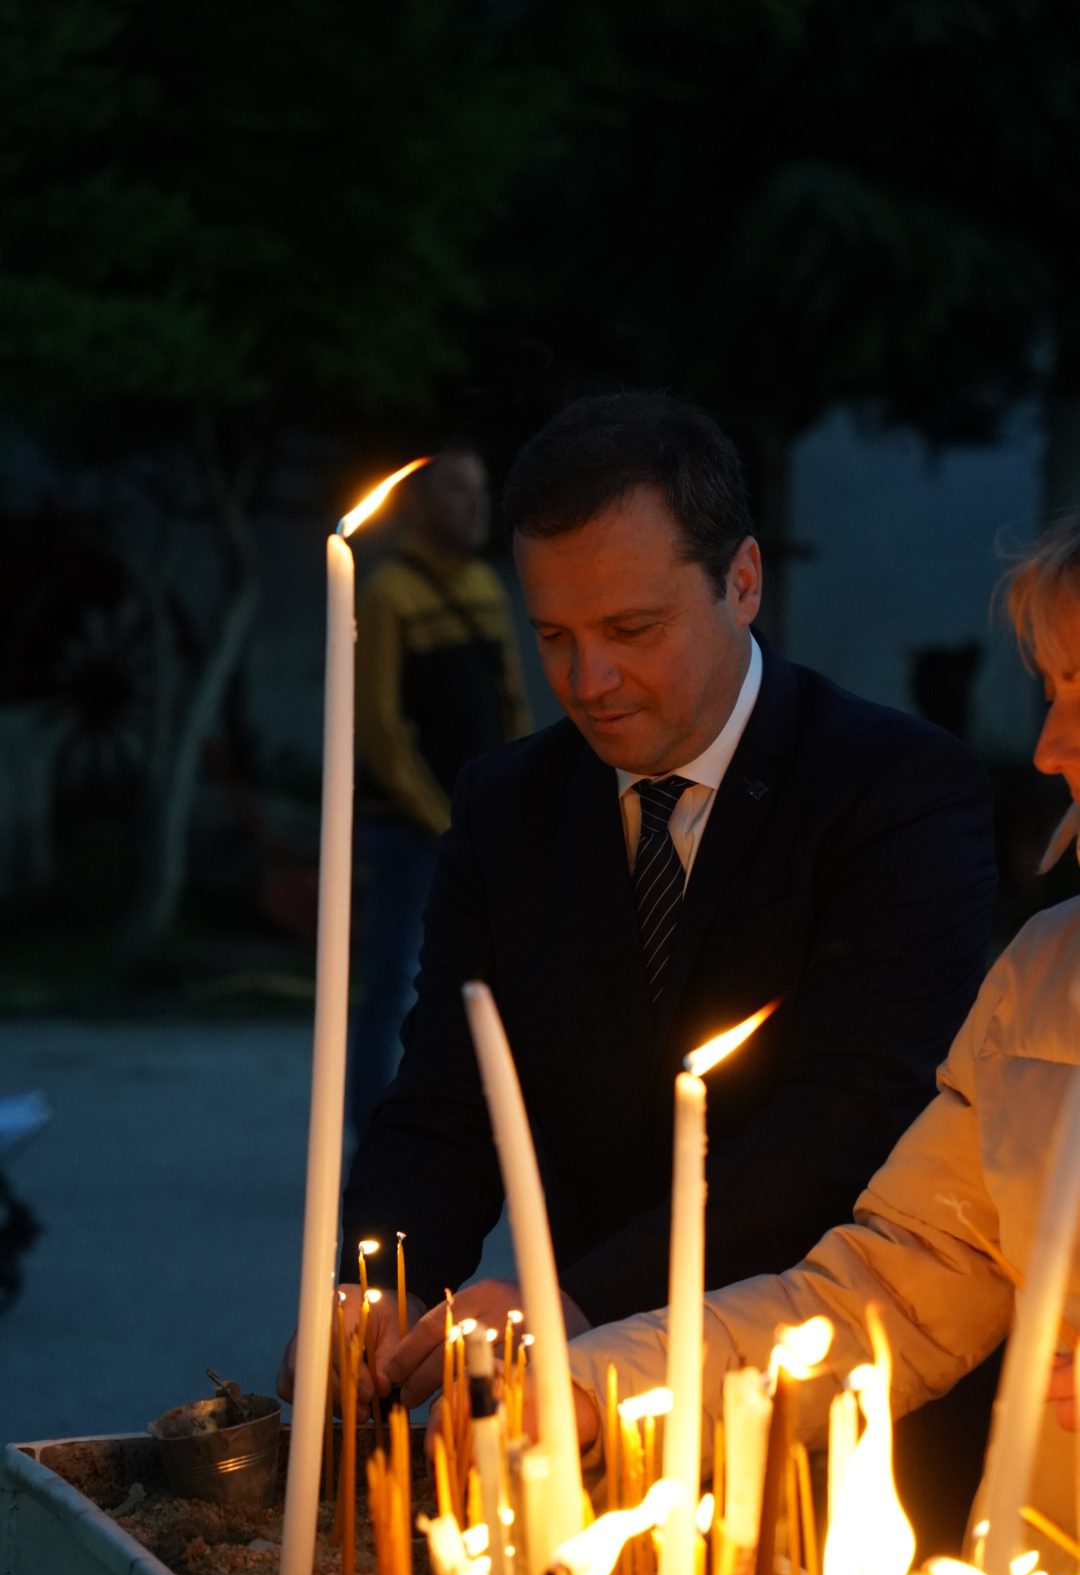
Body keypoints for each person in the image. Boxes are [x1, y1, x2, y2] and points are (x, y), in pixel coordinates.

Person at [280, 391, 995, 1427]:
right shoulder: (509, 806)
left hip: (836, 1390)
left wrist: (579, 1301)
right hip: (585, 1418)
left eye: (632, 628)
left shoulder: (894, 789)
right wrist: (379, 1277)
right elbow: (448, 1095)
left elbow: (849, 1114)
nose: (590, 679)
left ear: (741, 581)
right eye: (554, 635)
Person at [564, 516, 1080, 1566]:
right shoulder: (1045, 979)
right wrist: (599, 1382)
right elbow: (890, 1291)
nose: (1049, 747)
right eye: (1054, 691)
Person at [347, 446, 531, 1137]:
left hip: (481, 825)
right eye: (457, 490)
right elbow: (381, 730)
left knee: (484, 984)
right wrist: (441, 818)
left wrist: (517, 793)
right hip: (409, 831)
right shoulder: (388, 594)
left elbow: (512, 698)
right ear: (420, 504)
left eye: (480, 489)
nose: (475, 506)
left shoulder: (486, 586)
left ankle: (471, 1137)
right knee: (397, 984)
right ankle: (376, 1138)